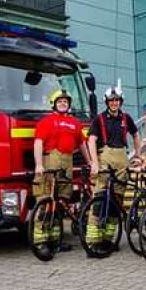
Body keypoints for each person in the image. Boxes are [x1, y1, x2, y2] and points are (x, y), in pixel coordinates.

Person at [86, 86, 141, 258]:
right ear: (107, 102)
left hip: (122, 161)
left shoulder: (126, 118)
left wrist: (138, 155)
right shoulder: (99, 119)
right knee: (99, 201)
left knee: (116, 202)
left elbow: (136, 135)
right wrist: (94, 163)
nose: (114, 103)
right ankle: (93, 241)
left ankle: (108, 239)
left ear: (121, 102)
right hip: (105, 160)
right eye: (111, 100)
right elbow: (91, 141)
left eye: (117, 100)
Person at [32, 90, 89, 250]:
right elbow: (38, 143)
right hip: (50, 162)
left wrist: (90, 161)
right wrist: (38, 164)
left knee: (62, 202)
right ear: (54, 104)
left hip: (67, 164)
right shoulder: (46, 122)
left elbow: (82, 144)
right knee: (45, 202)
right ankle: (42, 242)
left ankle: (56, 240)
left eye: (65, 101)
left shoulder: (74, 123)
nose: (63, 103)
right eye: (60, 101)